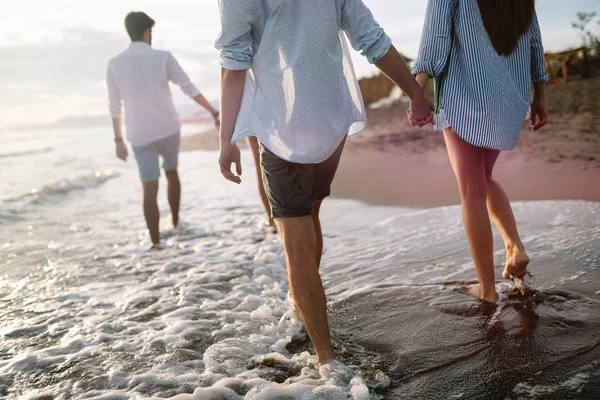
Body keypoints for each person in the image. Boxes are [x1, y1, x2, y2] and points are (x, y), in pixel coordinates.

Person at [215, 0, 433, 364]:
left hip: (283, 127)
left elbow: (234, 63)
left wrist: (226, 141)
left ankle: (327, 361)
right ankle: (301, 305)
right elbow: (372, 39)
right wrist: (414, 93)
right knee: (310, 215)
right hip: (332, 121)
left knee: (295, 238)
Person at [412, 0, 549, 302]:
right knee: (483, 179)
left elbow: (435, 39)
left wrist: (417, 88)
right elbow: (535, 43)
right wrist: (539, 95)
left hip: (464, 98)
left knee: (472, 191)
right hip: (508, 102)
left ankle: (487, 289)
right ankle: (514, 247)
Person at [106, 11, 220, 248]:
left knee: (149, 185)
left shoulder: (114, 63)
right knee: (171, 173)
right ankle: (176, 223)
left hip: (139, 133)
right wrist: (213, 111)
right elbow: (188, 88)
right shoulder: (162, 56)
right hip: (168, 127)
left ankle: (155, 242)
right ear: (147, 32)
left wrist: (118, 140)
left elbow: (114, 106)